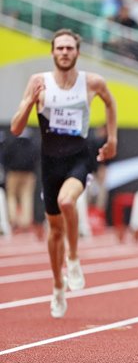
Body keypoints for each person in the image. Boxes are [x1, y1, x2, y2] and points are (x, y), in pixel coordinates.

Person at [10, 28, 118, 318]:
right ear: (52, 52)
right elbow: (16, 128)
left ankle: (73, 257)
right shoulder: (38, 82)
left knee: (67, 202)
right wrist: (30, 103)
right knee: (53, 230)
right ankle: (58, 286)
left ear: (77, 52)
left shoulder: (92, 82)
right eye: (60, 48)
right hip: (50, 162)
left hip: (79, 159)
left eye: (70, 48)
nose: (65, 53)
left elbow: (110, 103)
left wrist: (112, 139)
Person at [3, 128, 37, 233]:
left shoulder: (11, 142)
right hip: (28, 174)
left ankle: (13, 221)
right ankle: (25, 222)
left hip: (13, 173)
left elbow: (5, 157)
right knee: (26, 197)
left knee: (11, 196)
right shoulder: (32, 142)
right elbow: (36, 158)